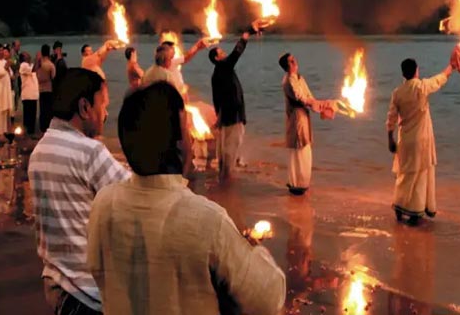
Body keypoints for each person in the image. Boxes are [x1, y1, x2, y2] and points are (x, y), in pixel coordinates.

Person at [87, 82, 286, 315]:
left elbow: (97, 271)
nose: (193, 140)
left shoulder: (103, 204)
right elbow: (269, 299)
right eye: (186, 131)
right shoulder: (208, 220)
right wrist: (252, 248)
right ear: (179, 145)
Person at [28, 68, 130, 315]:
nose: (105, 114)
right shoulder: (89, 152)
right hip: (87, 293)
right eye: (103, 105)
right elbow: (139, 197)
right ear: (84, 107)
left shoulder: (40, 151)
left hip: (56, 285)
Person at [385, 47, 460, 225]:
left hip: (404, 139)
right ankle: (414, 212)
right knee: (419, 176)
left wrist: (390, 138)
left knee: (405, 174)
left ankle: (399, 206)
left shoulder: (397, 93)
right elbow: (440, 79)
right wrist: (451, 66)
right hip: (421, 140)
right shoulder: (422, 87)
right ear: (416, 71)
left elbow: (390, 118)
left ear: (404, 74)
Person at [209, 21, 263, 179]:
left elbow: (216, 98)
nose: (224, 53)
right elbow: (237, 52)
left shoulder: (218, 72)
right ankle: (226, 179)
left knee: (227, 147)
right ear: (217, 58)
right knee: (231, 146)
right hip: (232, 115)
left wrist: (219, 115)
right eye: (221, 53)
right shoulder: (223, 68)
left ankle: (224, 176)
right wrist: (247, 34)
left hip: (228, 115)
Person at [279, 52, 330, 195]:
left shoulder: (299, 78)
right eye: (291, 61)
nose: (294, 61)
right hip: (296, 118)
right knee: (299, 150)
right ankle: (297, 185)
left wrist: (321, 105)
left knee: (305, 148)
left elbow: (308, 96)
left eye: (294, 59)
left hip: (304, 116)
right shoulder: (288, 81)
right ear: (286, 66)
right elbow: (300, 97)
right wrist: (317, 104)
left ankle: (303, 183)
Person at [36, 44, 56, 133]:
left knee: (42, 109)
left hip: (40, 89)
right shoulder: (50, 65)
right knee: (49, 109)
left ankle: (42, 127)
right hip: (49, 89)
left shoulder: (39, 65)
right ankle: (48, 126)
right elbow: (53, 77)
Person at [19, 52, 39, 136]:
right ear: (24, 58)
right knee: (28, 116)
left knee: (32, 115)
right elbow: (34, 69)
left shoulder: (29, 65)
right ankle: (27, 133)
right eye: (27, 54)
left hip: (32, 95)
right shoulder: (23, 65)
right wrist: (37, 59)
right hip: (27, 95)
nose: (29, 55)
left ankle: (31, 133)